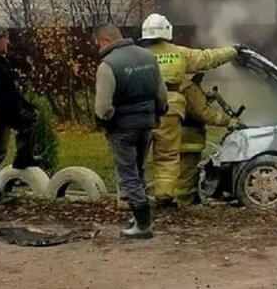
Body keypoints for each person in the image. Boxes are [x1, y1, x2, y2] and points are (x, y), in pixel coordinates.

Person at [138, 13, 241, 209]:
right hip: (169, 110)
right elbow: (208, 58)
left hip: (138, 110)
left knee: (134, 158)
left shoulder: (136, 55)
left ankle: (131, 199)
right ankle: (164, 197)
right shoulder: (179, 54)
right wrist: (232, 51)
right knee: (166, 156)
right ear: (167, 31)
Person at [93, 23, 167, 239]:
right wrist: (157, 114)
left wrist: (104, 121)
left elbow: (103, 107)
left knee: (128, 174)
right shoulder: (148, 57)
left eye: (98, 43)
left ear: (106, 39)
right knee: (139, 169)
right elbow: (161, 94)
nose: (98, 47)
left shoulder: (108, 65)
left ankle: (143, 225)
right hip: (146, 123)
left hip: (122, 127)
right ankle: (138, 218)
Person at [0, 24, 40, 211]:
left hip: (2, 112)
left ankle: (23, 157)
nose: (8, 41)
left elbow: (10, 91)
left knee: (30, 117)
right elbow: (2, 93)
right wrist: (14, 114)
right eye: (5, 38)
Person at [176, 74, 242, 206]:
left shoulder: (183, 84)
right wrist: (229, 121)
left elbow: (191, 106)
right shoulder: (190, 87)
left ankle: (190, 198)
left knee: (189, 168)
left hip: (182, 131)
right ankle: (184, 201)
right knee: (187, 169)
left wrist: (206, 97)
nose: (203, 76)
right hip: (188, 133)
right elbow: (204, 114)